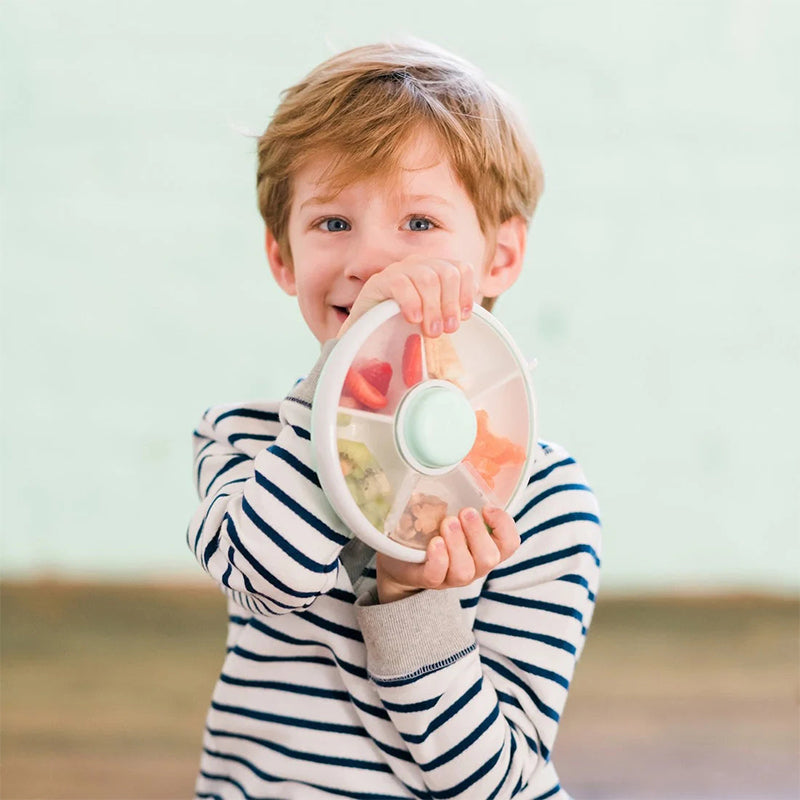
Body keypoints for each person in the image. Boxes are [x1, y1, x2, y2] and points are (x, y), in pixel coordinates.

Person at [187, 39, 601, 800]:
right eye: (333, 224)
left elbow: (497, 783)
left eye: (418, 224)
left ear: (501, 257)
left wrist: (413, 604)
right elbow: (266, 581)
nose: (375, 262)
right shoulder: (244, 440)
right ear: (282, 257)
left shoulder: (544, 500)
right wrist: (344, 378)